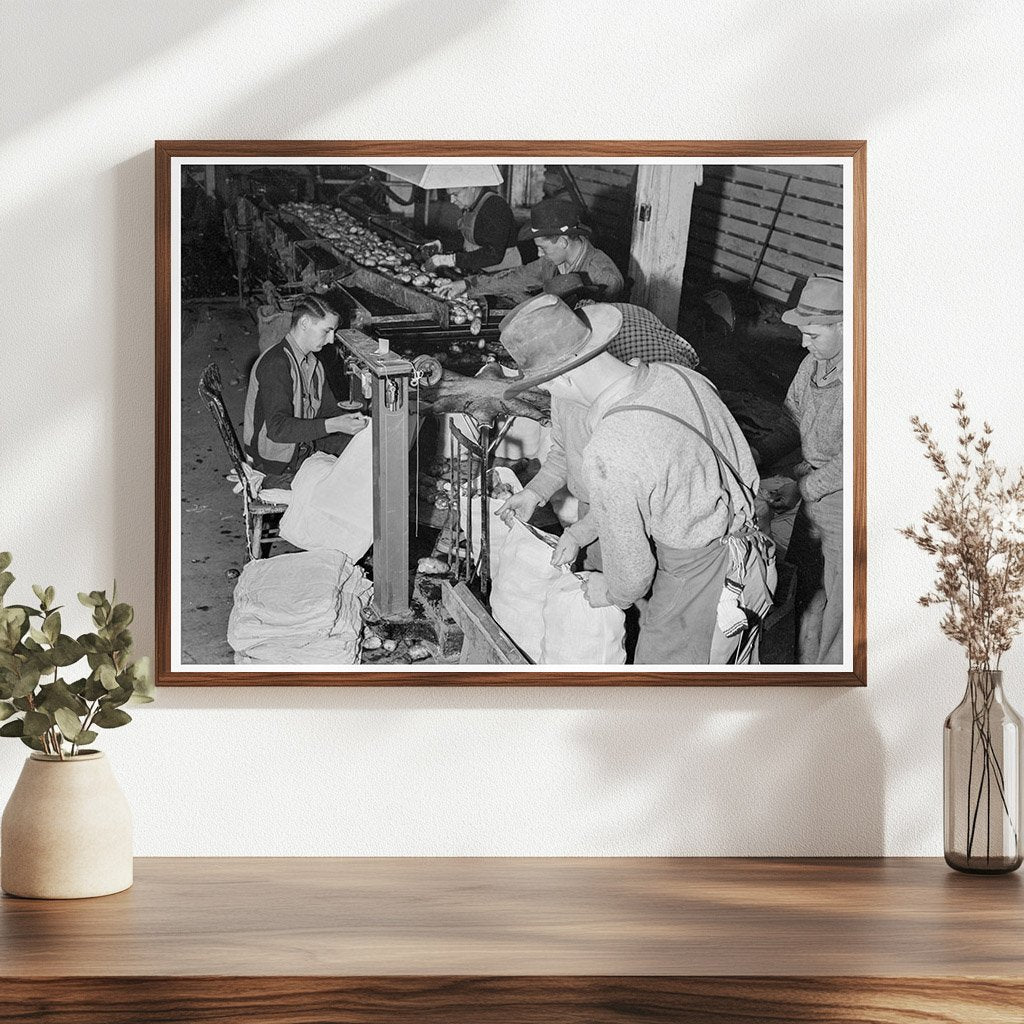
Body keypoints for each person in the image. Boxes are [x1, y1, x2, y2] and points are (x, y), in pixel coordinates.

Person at [496, 295, 774, 665]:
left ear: (563, 376)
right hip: (746, 554)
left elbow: (633, 573)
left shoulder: (613, 443)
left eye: (547, 386)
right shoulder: (681, 377)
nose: (550, 395)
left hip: (697, 576)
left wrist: (612, 591)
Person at [498, 302, 700, 571]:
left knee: (623, 592)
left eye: (544, 382)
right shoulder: (564, 397)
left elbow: (628, 511)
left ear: (562, 377)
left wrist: (578, 535)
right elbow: (562, 451)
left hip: (633, 521)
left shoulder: (624, 422)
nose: (545, 388)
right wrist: (535, 492)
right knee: (595, 572)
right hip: (592, 510)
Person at [761, 275, 845, 665]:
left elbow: (859, 456)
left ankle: (831, 680)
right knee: (806, 589)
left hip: (846, 501)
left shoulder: (863, 379)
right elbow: (791, 420)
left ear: (847, 327)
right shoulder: (813, 363)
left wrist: (806, 485)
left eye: (812, 334)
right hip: (813, 488)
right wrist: (756, 458)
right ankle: (801, 666)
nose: (802, 343)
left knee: (840, 605)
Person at [243, 295, 368, 487]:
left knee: (367, 453)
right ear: (304, 323)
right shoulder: (277, 364)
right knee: (352, 485)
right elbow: (278, 429)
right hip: (275, 466)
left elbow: (327, 411)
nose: (331, 340)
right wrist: (334, 425)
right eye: (326, 331)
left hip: (301, 447)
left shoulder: (312, 364)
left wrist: (356, 422)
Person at [438, 198, 624, 306]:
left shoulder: (603, 277)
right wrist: (467, 285)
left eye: (542, 248)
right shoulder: (554, 260)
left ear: (562, 241)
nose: (539, 255)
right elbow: (516, 277)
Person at [421, 186, 521, 275]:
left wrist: (451, 260)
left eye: (455, 194)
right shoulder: (472, 204)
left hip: (501, 274)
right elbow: (467, 236)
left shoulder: (496, 207)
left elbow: (493, 254)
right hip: (480, 270)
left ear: (472, 188)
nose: (452, 200)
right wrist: (441, 244)